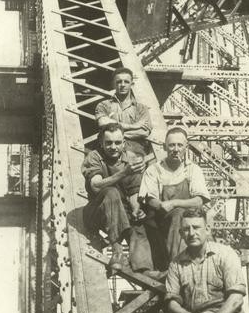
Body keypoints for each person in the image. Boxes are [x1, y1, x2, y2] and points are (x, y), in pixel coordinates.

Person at [138, 125, 211, 270]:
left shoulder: (193, 169)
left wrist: (173, 203)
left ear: (186, 147)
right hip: (160, 221)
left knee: (183, 216)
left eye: (179, 145)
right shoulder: (154, 170)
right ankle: (179, 266)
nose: (175, 149)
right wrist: (162, 205)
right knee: (178, 215)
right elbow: (150, 199)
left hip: (188, 220)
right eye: (171, 145)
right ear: (164, 147)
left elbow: (199, 200)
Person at [81, 124, 147, 272]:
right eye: (108, 143)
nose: (113, 147)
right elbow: (96, 186)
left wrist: (137, 209)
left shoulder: (131, 158)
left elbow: (133, 192)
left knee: (139, 222)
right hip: (96, 213)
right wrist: (124, 173)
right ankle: (117, 250)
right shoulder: (94, 157)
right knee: (111, 192)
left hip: (121, 211)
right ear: (101, 143)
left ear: (124, 143)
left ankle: (144, 269)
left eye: (117, 142)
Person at [95, 66, 154, 220]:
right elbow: (102, 123)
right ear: (114, 84)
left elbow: (145, 131)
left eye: (126, 82)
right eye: (119, 81)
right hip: (111, 147)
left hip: (134, 147)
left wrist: (117, 129)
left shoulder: (140, 108)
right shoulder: (104, 105)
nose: (122, 84)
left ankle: (134, 206)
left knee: (133, 161)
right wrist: (131, 127)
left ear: (131, 83)